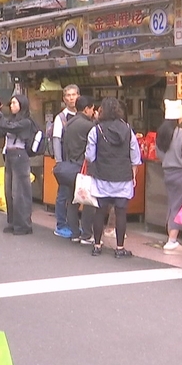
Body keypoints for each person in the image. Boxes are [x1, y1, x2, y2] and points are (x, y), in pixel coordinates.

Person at [85, 97, 142, 257]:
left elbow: (90, 155)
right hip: (123, 177)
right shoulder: (127, 130)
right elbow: (135, 156)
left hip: (102, 175)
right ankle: (119, 248)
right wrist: (133, 174)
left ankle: (97, 245)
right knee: (121, 212)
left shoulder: (96, 130)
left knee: (100, 211)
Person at [0, 94, 35, 235]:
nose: (12, 106)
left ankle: (24, 225)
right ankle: (13, 222)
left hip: (20, 155)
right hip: (9, 155)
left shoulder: (26, 122)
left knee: (20, 191)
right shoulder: (10, 120)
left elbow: (11, 127)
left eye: (15, 103)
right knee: (9, 191)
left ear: (22, 105)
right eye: (11, 103)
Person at [155, 99, 182, 254]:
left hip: (167, 173)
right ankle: (172, 241)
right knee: (177, 206)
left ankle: (170, 235)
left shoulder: (161, 133)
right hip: (181, 174)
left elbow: (159, 154)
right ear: (180, 118)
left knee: (172, 205)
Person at [60, 95, 96, 243]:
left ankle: (74, 232)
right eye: (93, 109)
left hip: (70, 165)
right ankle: (86, 234)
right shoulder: (89, 126)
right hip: (84, 168)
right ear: (87, 109)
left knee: (72, 200)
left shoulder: (69, 123)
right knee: (88, 200)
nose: (93, 112)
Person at [51, 84, 80, 238]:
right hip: (65, 163)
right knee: (63, 194)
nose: (71, 98)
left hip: (79, 163)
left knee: (76, 195)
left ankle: (73, 224)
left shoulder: (82, 115)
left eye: (73, 95)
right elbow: (56, 140)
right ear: (64, 99)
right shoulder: (60, 118)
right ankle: (61, 224)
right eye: (68, 95)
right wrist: (59, 163)